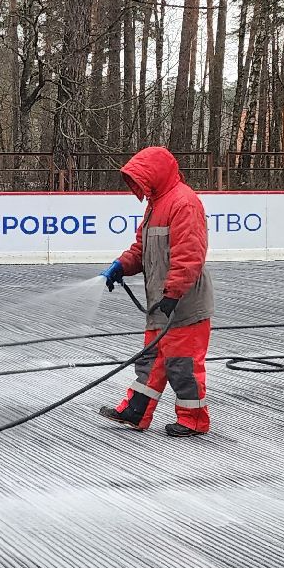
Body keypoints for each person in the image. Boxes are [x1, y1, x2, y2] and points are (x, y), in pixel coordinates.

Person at [98, 145, 214, 437]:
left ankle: (193, 419)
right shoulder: (156, 204)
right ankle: (135, 411)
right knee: (151, 360)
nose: (137, 186)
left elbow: (189, 255)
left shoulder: (183, 203)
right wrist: (121, 266)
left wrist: (174, 294)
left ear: (156, 174)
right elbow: (142, 250)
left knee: (182, 363)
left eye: (140, 179)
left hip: (185, 304)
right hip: (161, 302)